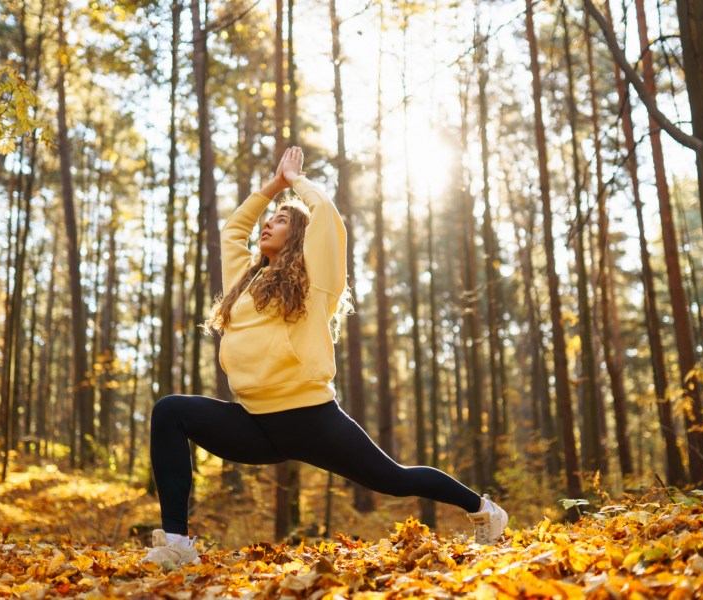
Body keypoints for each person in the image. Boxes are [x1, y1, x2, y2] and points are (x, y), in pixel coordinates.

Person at [142, 147, 507, 566]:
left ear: (297, 236)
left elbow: (328, 216)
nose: (267, 223)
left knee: (393, 479)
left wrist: (295, 181)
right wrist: (272, 187)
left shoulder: (316, 283)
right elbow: (231, 230)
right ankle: (177, 543)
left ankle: (484, 509)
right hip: (254, 422)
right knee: (170, 411)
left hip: (310, 417)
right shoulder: (245, 280)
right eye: (270, 218)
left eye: (280, 220)